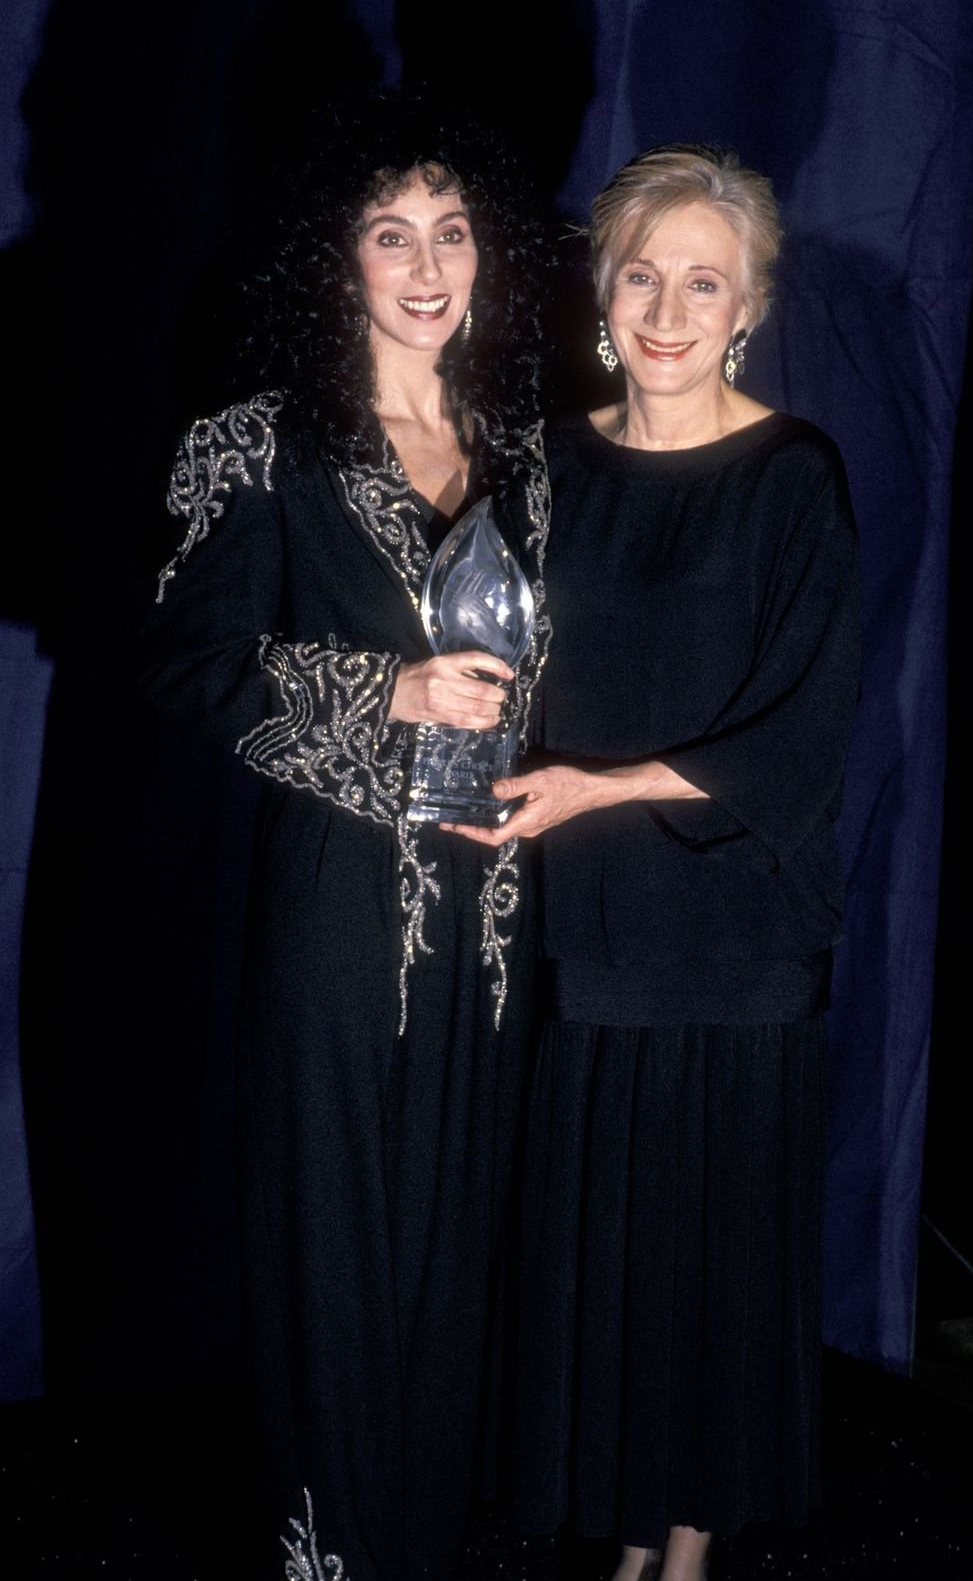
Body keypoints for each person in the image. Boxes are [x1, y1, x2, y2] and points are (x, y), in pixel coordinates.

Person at [141, 99, 551, 1581]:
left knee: (462, 1263)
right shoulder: (254, 447)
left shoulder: (530, 448)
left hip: (502, 928)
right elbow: (186, 673)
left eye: (452, 230)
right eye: (391, 233)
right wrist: (387, 683)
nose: (428, 264)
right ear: (338, 261)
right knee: (330, 1262)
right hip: (329, 915)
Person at [447, 145, 861, 1580]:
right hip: (591, 925)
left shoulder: (793, 475)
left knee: (706, 1263)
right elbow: (489, 664)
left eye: (705, 284)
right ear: (601, 295)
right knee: (604, 1261)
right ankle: (630, 1537)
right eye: (643, 275)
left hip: (737, 932)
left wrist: (595, 787)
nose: (669, 311)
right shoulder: (550, 466)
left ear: (748, 309)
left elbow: (803, 733)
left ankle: (679, 1555)